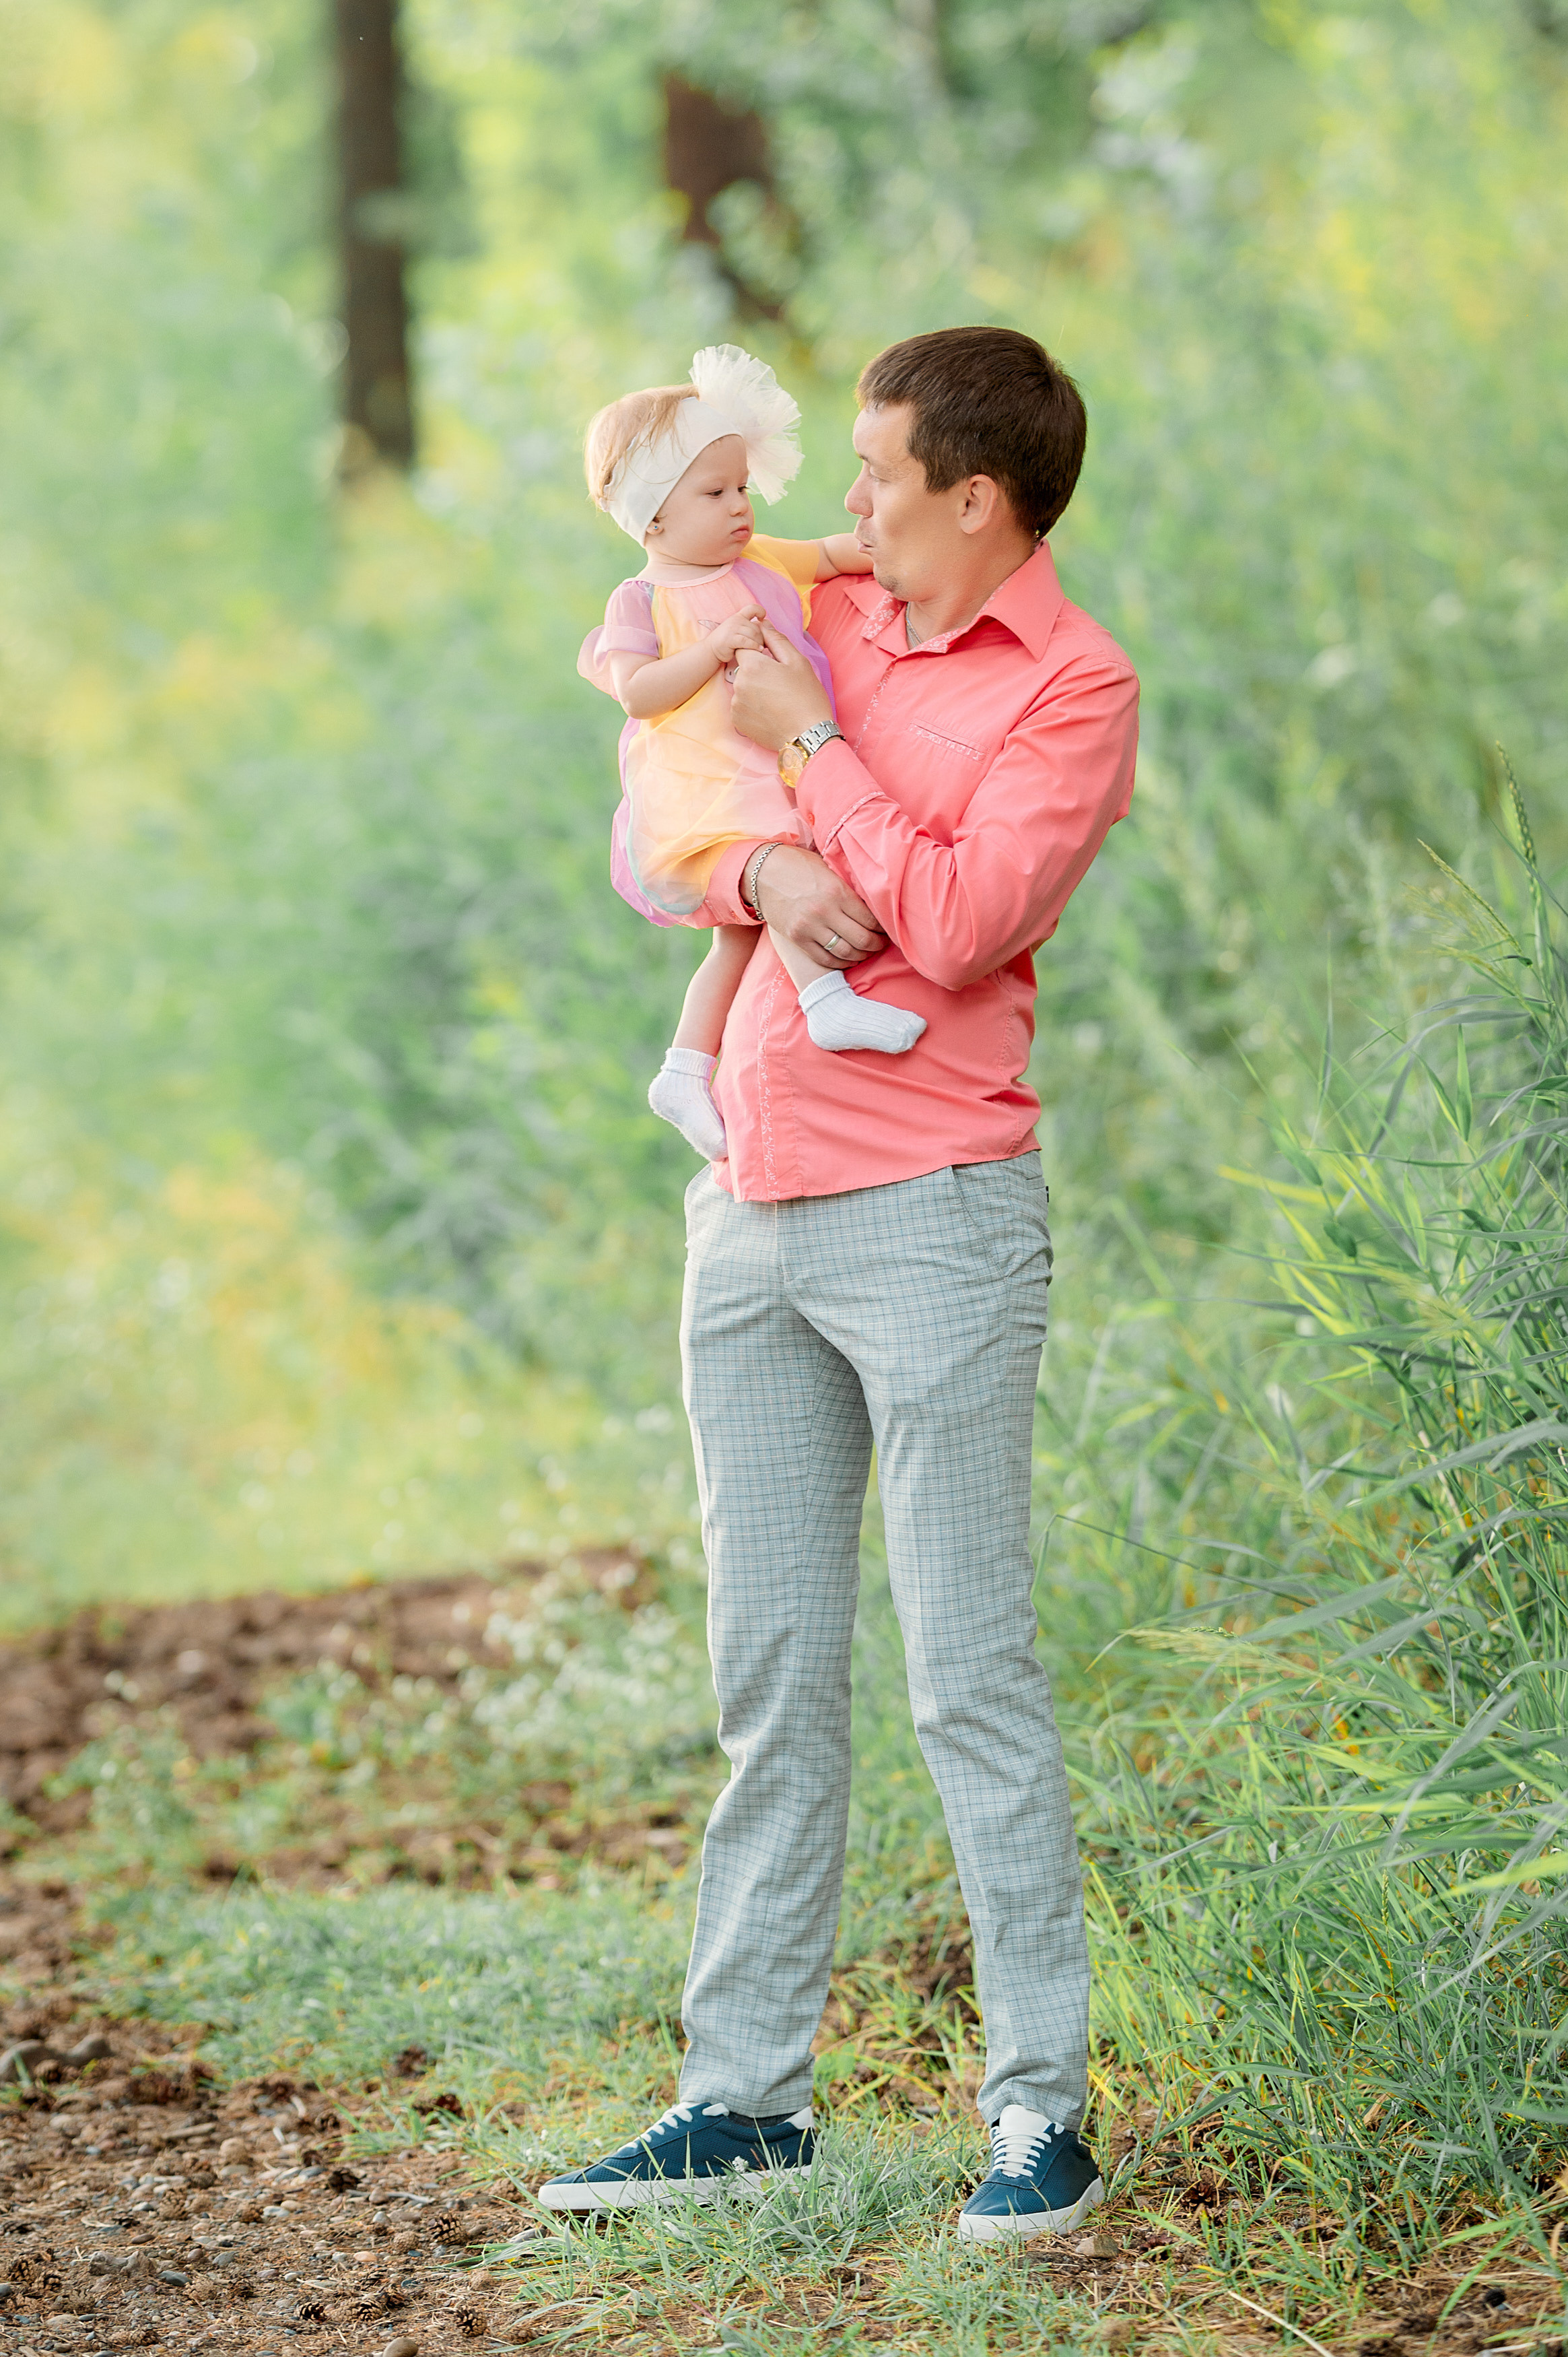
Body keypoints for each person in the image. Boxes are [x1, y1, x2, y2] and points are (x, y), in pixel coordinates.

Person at [541, 325, 1139, 2242]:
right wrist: (759, 883)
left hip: (937, 1213)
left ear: (978, 495)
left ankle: (1039, 2116)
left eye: (878, 472)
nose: (843, 500)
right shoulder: (809, 602)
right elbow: (659, 835)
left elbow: (961, 917)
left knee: (968, 1672)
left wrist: (810, 754)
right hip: (750, 1192)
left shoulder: (1073, 684)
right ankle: (742, 2101)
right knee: (772, 1674)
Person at [579, 343, 926, 1165]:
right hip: (705, 789)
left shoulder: (760, 559)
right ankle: (825, 996)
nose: (741, 506)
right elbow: (638, 691)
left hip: (764, 768)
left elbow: (832, 555)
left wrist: (889, 560)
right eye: (714, 492)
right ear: (652, 514)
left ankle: (685, 1067)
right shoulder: (643, 598)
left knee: (738, 936)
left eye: (742, 487)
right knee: (770, 885)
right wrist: (715, 649)